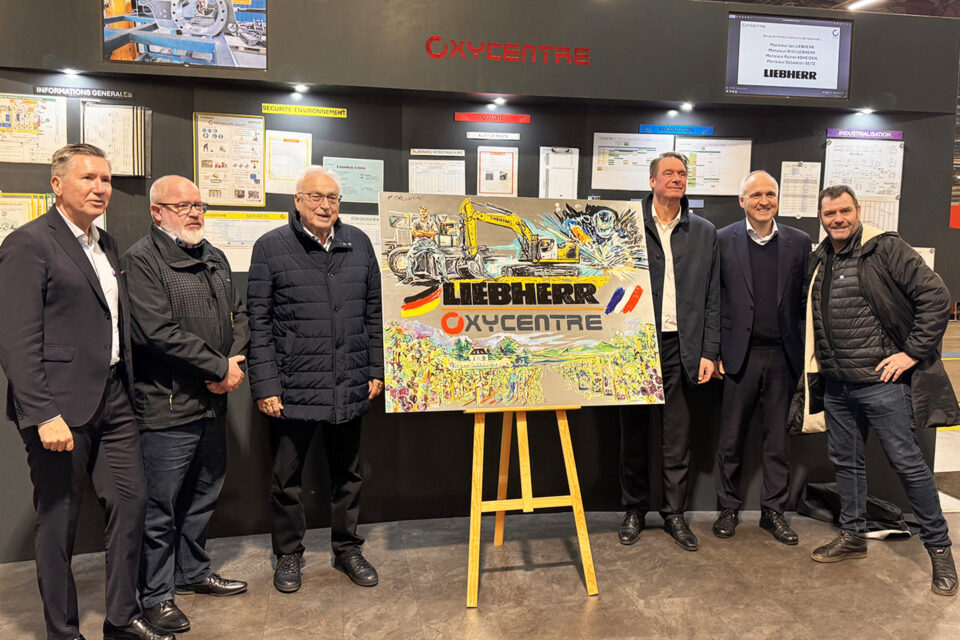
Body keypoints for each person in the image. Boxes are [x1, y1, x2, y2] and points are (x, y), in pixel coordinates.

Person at [0, 143, 172, 640]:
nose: (100, 188)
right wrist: (42, 412)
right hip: (58, 407)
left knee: (131, 503)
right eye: (88, 178)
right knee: (59, 522)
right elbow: (14, 337)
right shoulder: (28, 243)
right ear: (57, 185)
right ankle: (63, 632)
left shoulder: (106, 244)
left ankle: (121, 619)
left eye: (106, 179)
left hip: (113, 398)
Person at [793, 184, 960, 596]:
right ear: (821, 218)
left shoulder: (885, 249)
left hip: (882, 385)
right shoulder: (820, 259)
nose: (838, 219)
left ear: (858, 211)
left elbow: (936, 297)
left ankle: (940, 549)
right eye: (830, 213)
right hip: (837, 385)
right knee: (846, 463)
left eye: (844, 211)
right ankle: (853, 535)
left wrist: (911, 353)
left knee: (909, 465)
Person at [121, 175, 250, 634]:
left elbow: (239, 315)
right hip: (167, 406)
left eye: (199, 205)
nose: (195, 213)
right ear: (157, 212)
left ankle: (192, 572)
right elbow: (156, 333)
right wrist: (218, 368)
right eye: (183, 206)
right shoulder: (141, 260)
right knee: (160, 509)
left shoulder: (213, 255)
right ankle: (157, 596)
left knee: (203, 494)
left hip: (213, 402)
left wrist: (231, 363)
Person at [247, 165, 384, 593]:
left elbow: (374, 314)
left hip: (349, 381)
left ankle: (347, 548)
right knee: (286, 479)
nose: (325, 205)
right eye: (316, 196)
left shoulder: (359, 243)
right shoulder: (270, 247)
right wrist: (266, 385)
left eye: (332, 198)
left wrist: (376, 369)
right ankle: (288, 554)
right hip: (293, 387)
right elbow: (258, 323)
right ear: (298, 201)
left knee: (349, 475)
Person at [618, 151, 720, 551]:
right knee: (634, 434)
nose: (676, 179)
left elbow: (714, 297)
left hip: (683, 346)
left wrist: (710, 351)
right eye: (668, 173)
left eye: (682, 173)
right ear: (652, 181)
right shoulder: (626, 225)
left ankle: (674, 513)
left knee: (677, 435)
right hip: (635, 346)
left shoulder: (705, 232)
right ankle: (634, 509)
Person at [711, 170, 810, 545]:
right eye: (756, 195)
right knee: (731, 439)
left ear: (778, 200)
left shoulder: (799, 242)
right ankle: (727, 508)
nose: (764, 201)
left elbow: (804, 300)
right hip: (739, 357)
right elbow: (713, 299)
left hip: (784, 357)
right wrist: (714, 352)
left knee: (778, 441)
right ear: (742, 201)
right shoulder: (723, 240)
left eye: (770, 194)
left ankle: (774, 512)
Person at [404, 205, 444, 283]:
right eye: (421, 211)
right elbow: (415, 233)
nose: (423, 213)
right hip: (418, 243)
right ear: (419, 212)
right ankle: (409, 277)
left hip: (430, 244)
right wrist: (427, 233)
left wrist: (422, 232)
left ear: (427, 212)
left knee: (441, 256)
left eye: (424, 211)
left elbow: (433, 234)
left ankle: (443, 277)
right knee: (409, 256)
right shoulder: (415, 222)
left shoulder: (432, 223)